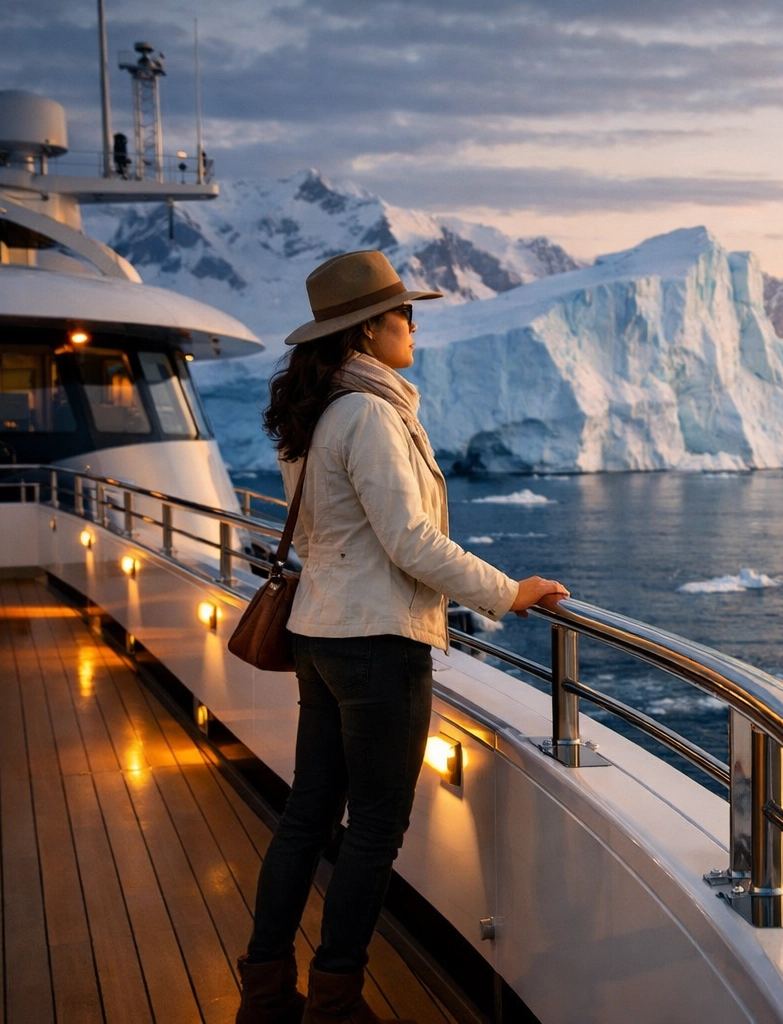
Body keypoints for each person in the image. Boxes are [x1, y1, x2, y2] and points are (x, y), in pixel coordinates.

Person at [236, 250, 568, 1024]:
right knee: (375, 831)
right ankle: (336, 998)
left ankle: (265, 989)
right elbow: (408, 540)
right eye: (404, 314)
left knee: (305, 819)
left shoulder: (315, 412)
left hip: (319, 637)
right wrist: (507, 593)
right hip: (375, 646)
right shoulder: (370, 413)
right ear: (365, 331)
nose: (414, 325)